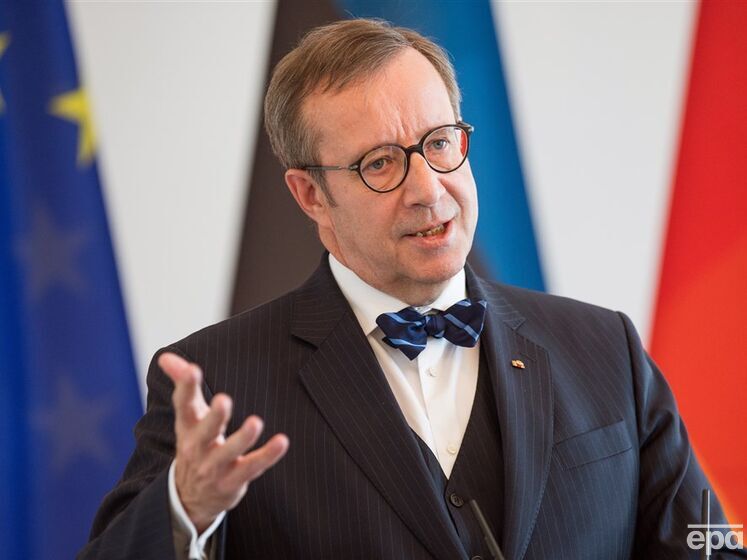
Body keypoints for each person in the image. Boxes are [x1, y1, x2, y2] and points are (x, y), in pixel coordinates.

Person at [79, 19, 743, 560]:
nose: (428, 189)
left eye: (439, 143)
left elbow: (707, 545)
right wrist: (187, 510)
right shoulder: (216, 383)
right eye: (380, 164)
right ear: (310, 195)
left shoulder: (605, 347)